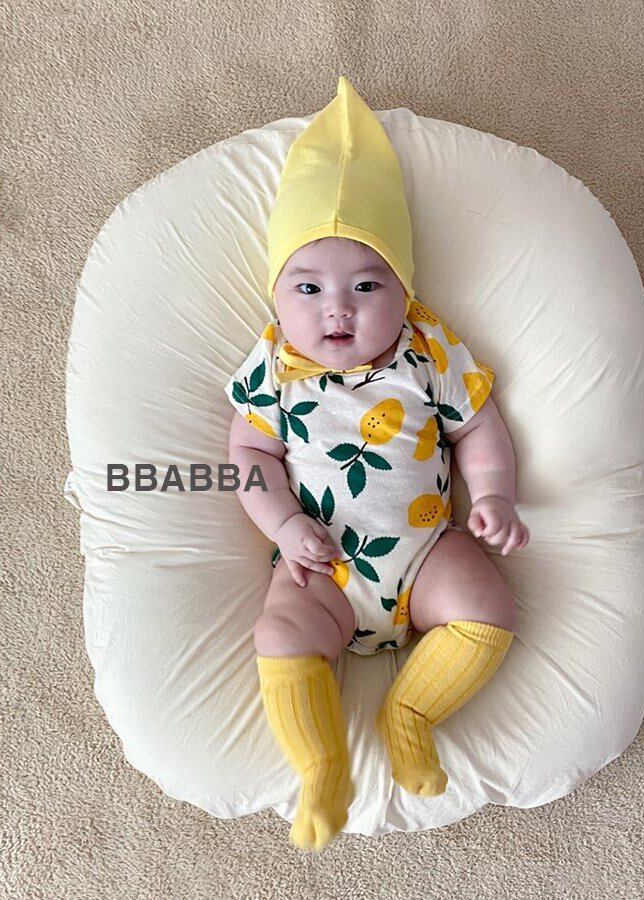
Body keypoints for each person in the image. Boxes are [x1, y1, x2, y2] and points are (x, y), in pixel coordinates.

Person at [225, 77, 528, 851]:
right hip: (322, 566)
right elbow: (250, 454)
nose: (339, 307)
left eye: (367, 284)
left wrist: (493, 495)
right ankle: (322, 764)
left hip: (427, 554)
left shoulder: (427, 351)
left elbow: (478, 426)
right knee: (281, 633)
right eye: (309, 287)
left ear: (404, 291)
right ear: (277, 298)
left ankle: (411, 713)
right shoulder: (273, 367)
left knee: (488, 607)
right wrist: (283, 525)